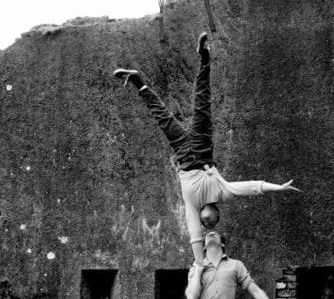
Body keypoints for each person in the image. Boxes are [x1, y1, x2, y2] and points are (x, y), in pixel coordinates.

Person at [113, 33, 300, 265]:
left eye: (205, 225)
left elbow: (194, 235)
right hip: (202, 151)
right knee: (202, 101)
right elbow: (252, 187)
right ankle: (205, 56)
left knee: (161, 116)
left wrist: (200, 263)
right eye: (211, 223)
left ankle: (137, 81)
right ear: (217, 214)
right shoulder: (222, 191)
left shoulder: (192, 206)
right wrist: (279, 188)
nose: (206, 224)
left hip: (183, 154)